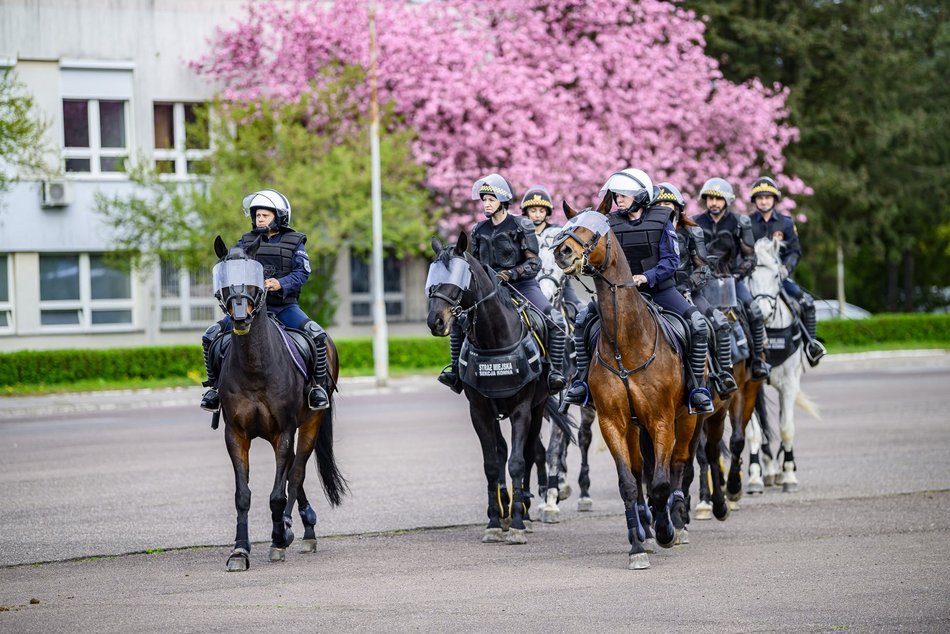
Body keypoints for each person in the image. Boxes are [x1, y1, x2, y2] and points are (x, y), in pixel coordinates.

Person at [562, 168, 714, 414]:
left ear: (640, 195)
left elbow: (671, 261)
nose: (618, 199)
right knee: (581, 320)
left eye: (623, 195)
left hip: (660, 290)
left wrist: (647, 276)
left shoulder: (663, 218)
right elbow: (602, 257)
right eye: (616, 195)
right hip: (619, 294)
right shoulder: (608, 223)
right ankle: (581, 382)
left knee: (698, 324)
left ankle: (697, 388)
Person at [200, 189, 330, 412]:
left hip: (285, 307)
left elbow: (302, 273)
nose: (259, 219)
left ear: (279, 216)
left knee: (317, 335)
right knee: (210, 336)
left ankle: (317, 388)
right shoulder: (245, 242)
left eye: (265, 215)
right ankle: (213, 389)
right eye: (257, 215)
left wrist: (280, 284)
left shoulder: (295, 241)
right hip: (251, 308)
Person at [437, 174, 567, 394]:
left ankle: (553, 371)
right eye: (484, 200)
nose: (486, 204)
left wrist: (511, 274)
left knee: (554, 320)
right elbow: (474, 264)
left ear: (502, 200)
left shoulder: (521, 225)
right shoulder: (478, 229)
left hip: (522, 286)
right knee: (459, 320)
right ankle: (456, 373)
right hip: (488, 290)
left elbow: (534, 263)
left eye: (490, 199)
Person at [657, 182, 739, 399]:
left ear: (677, 207)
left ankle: (722, 375)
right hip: (656, 292)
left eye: (668, 203)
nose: (664, 207)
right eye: (660, 203)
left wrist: (687, 286)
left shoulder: (693, 231)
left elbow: (703, 269)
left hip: (689, 293)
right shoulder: (648, 230)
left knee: (720, 323)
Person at [694, 178, 771, 380]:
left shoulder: (740, 222)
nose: (714, 203)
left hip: (731, 280)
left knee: (753, 310)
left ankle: (757, 360)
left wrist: (738, 274)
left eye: (718, 199)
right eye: (710, 198)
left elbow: (750, 257)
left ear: (727, 201)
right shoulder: (694, 222)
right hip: (702, 283)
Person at [748, 176, 826, 366]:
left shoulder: (786, 223)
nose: (764, 201)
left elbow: (795, 251)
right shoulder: (747, 223)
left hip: (780, 277)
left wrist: (785, 268)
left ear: (774, 199)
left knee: (805, 301)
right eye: (760, 198)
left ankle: (811, 345)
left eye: (767, 197)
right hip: (755, 278)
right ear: (755, 201)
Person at [520, 185, 583, 311]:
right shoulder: (519, 233)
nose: (537, 215)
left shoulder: (559, 233)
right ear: (526, 212)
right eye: (533, 211)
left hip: (559, 284)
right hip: (528, 284)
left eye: (541, 211)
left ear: (547, 213)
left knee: (579, 312)